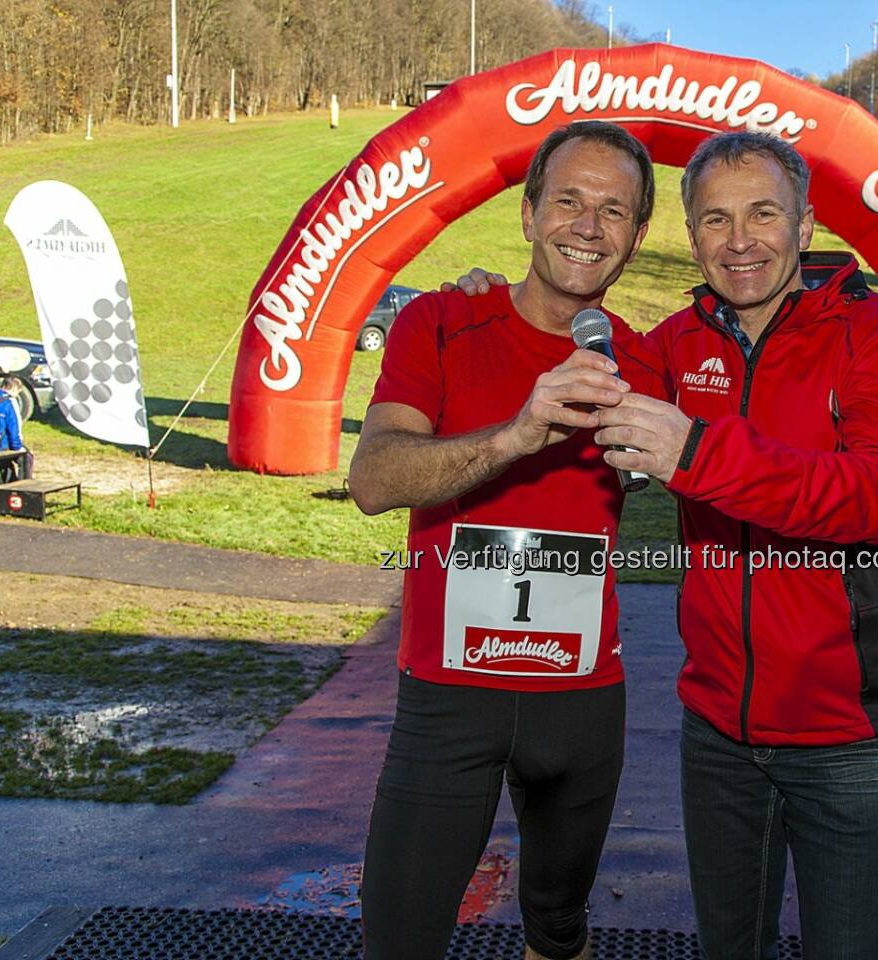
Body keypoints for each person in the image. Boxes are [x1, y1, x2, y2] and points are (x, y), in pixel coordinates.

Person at [453, 131, 878, 959]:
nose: (739, 240)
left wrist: (699, 455)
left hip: (845, 732)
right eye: (715, 219)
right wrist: (494, 299)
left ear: (806, 225)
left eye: (763, 214)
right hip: (716, 726)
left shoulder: (872, 333)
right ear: (691, 233)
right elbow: (569, 352)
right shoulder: (679, 342)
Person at [347, 120, 665, 960]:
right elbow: (373, 480)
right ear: (527, 216)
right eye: (567, 201)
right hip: (450, 699)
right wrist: (515, 435)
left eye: (613, 211)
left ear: (636, 236)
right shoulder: (439, 323)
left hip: (581, 703)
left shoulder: (647, 362)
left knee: (558, 933)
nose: (587, 226)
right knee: (400, 939)